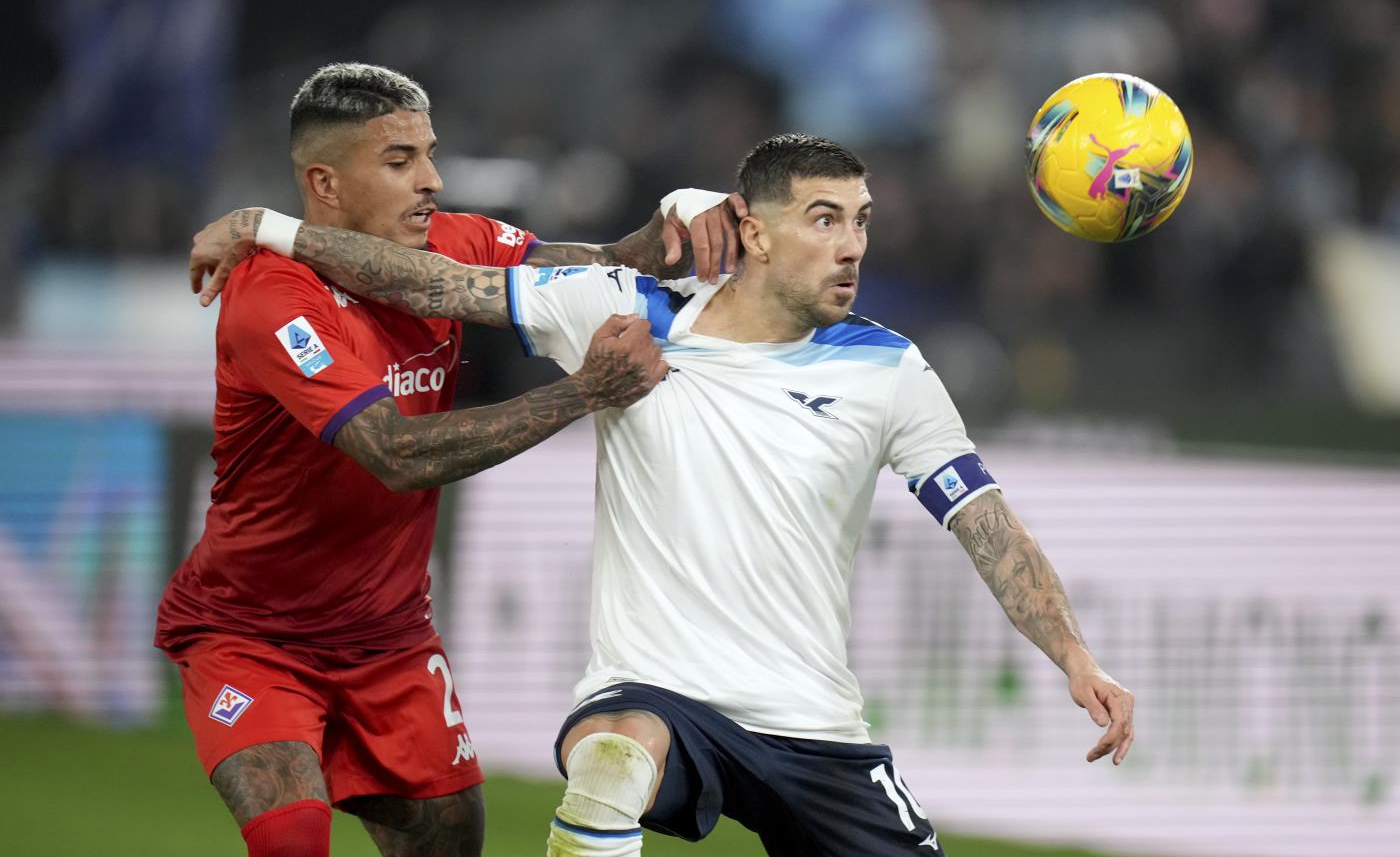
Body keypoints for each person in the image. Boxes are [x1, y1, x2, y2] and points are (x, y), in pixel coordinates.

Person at [193, 133, 1135, 856]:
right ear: (755, 230)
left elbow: (987, 525)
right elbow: (437, 279)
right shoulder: (621, 311)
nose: (850, 245)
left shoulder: (889, 368)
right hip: (657, 695)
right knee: (611, 754)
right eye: (823, 218)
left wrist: (1076, 654)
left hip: (813, 724)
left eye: (860, 220)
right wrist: (271, 230)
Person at [159, 62, 740, 857]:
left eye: (429, 154)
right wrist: (583, 393)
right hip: (254, 634)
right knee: (292, 834)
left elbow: (612, 264)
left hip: (390, 640)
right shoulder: (273, 297)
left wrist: (681, 212)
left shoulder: (457, 247)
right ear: (324, 182)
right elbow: (393, 453)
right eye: (400, 162)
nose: (432, 179)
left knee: (452, 845)